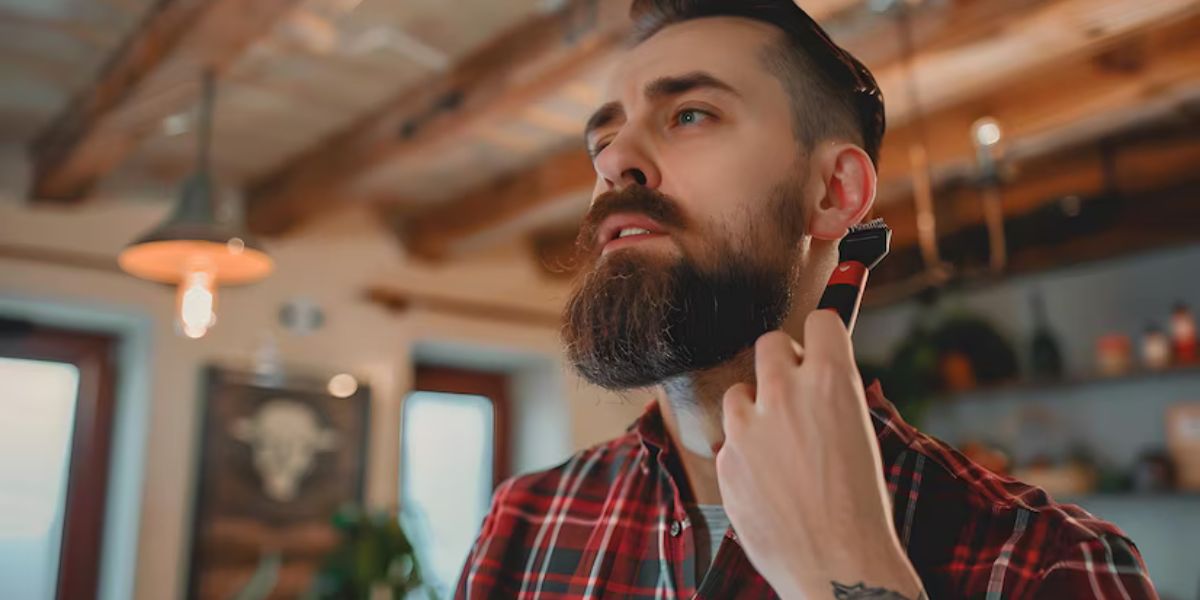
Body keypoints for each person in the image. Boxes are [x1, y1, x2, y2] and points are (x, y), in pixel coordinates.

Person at [455, 0, 1157, 598]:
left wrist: (848, 572)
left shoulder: (1050, 565)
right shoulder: (523, 526)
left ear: (833, 194)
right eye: (603, 140)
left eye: (690, 114)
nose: (613, 161)